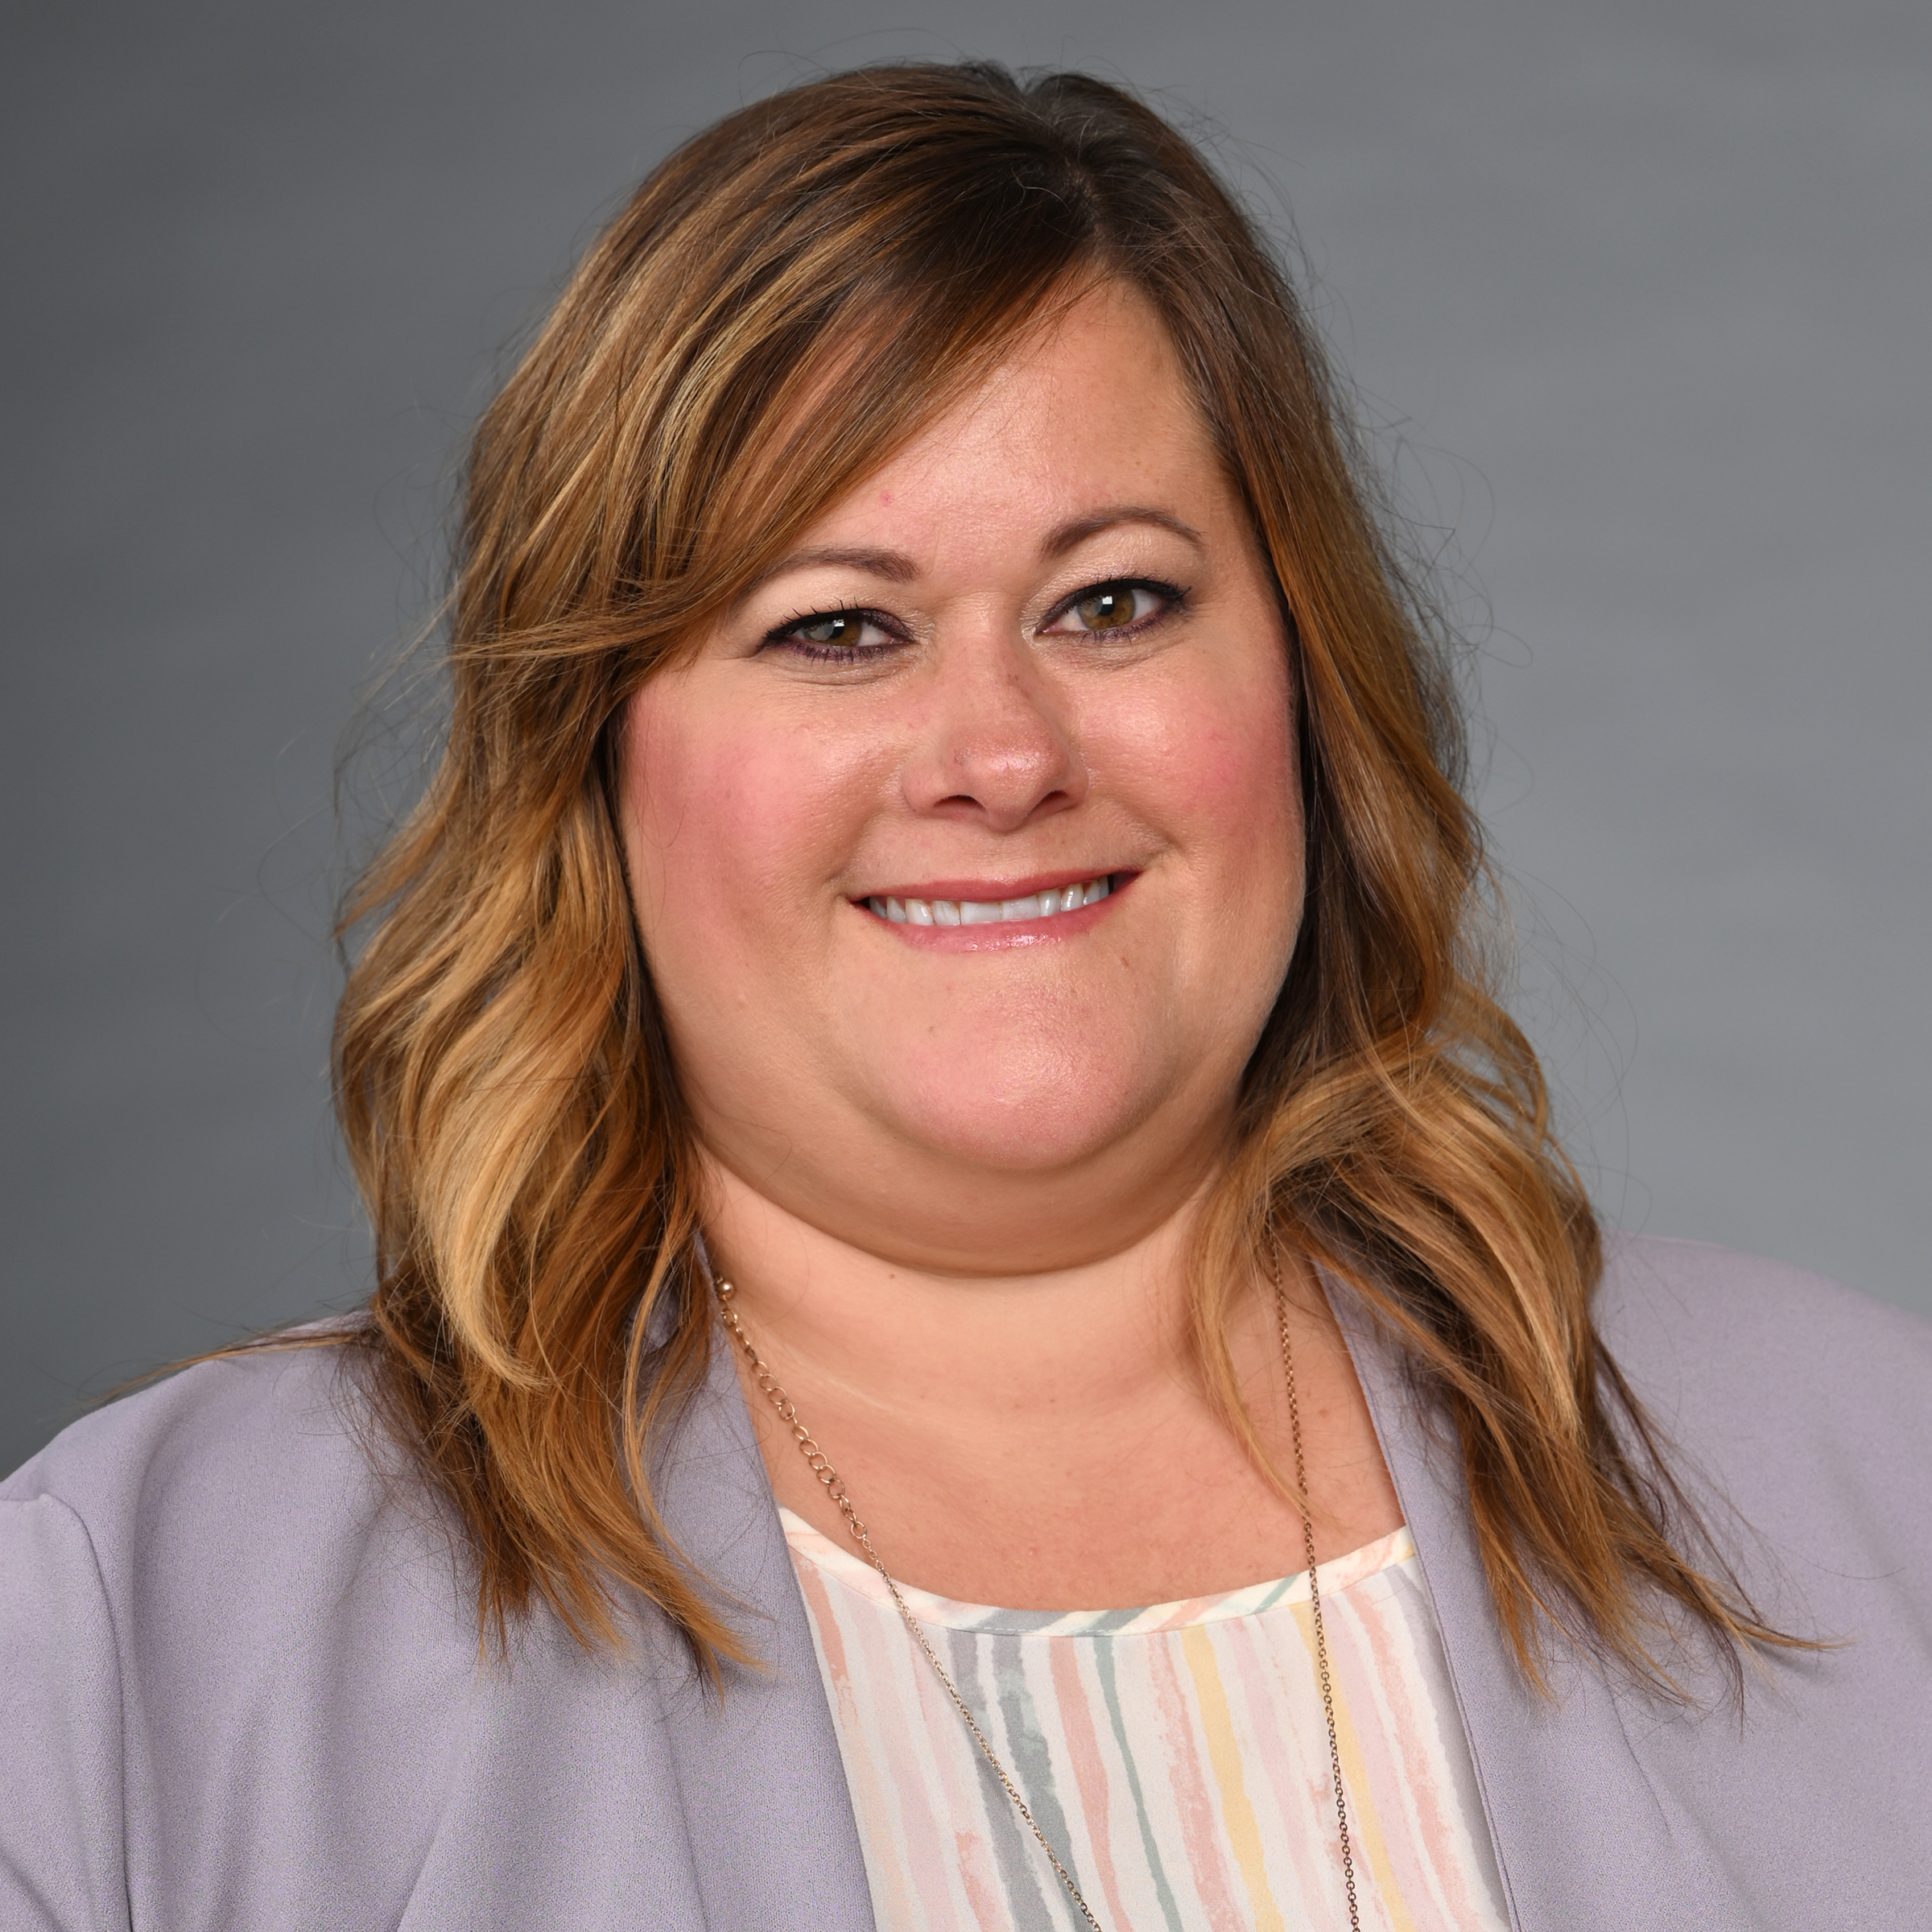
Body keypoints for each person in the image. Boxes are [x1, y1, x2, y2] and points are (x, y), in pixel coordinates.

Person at [2, 61, 1927, 1932]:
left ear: (1306, 689)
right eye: (836, 627)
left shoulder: (1862, 1472)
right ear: (593, 766)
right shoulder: (141, 1619)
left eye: (1115, 602)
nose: (1000, 757)